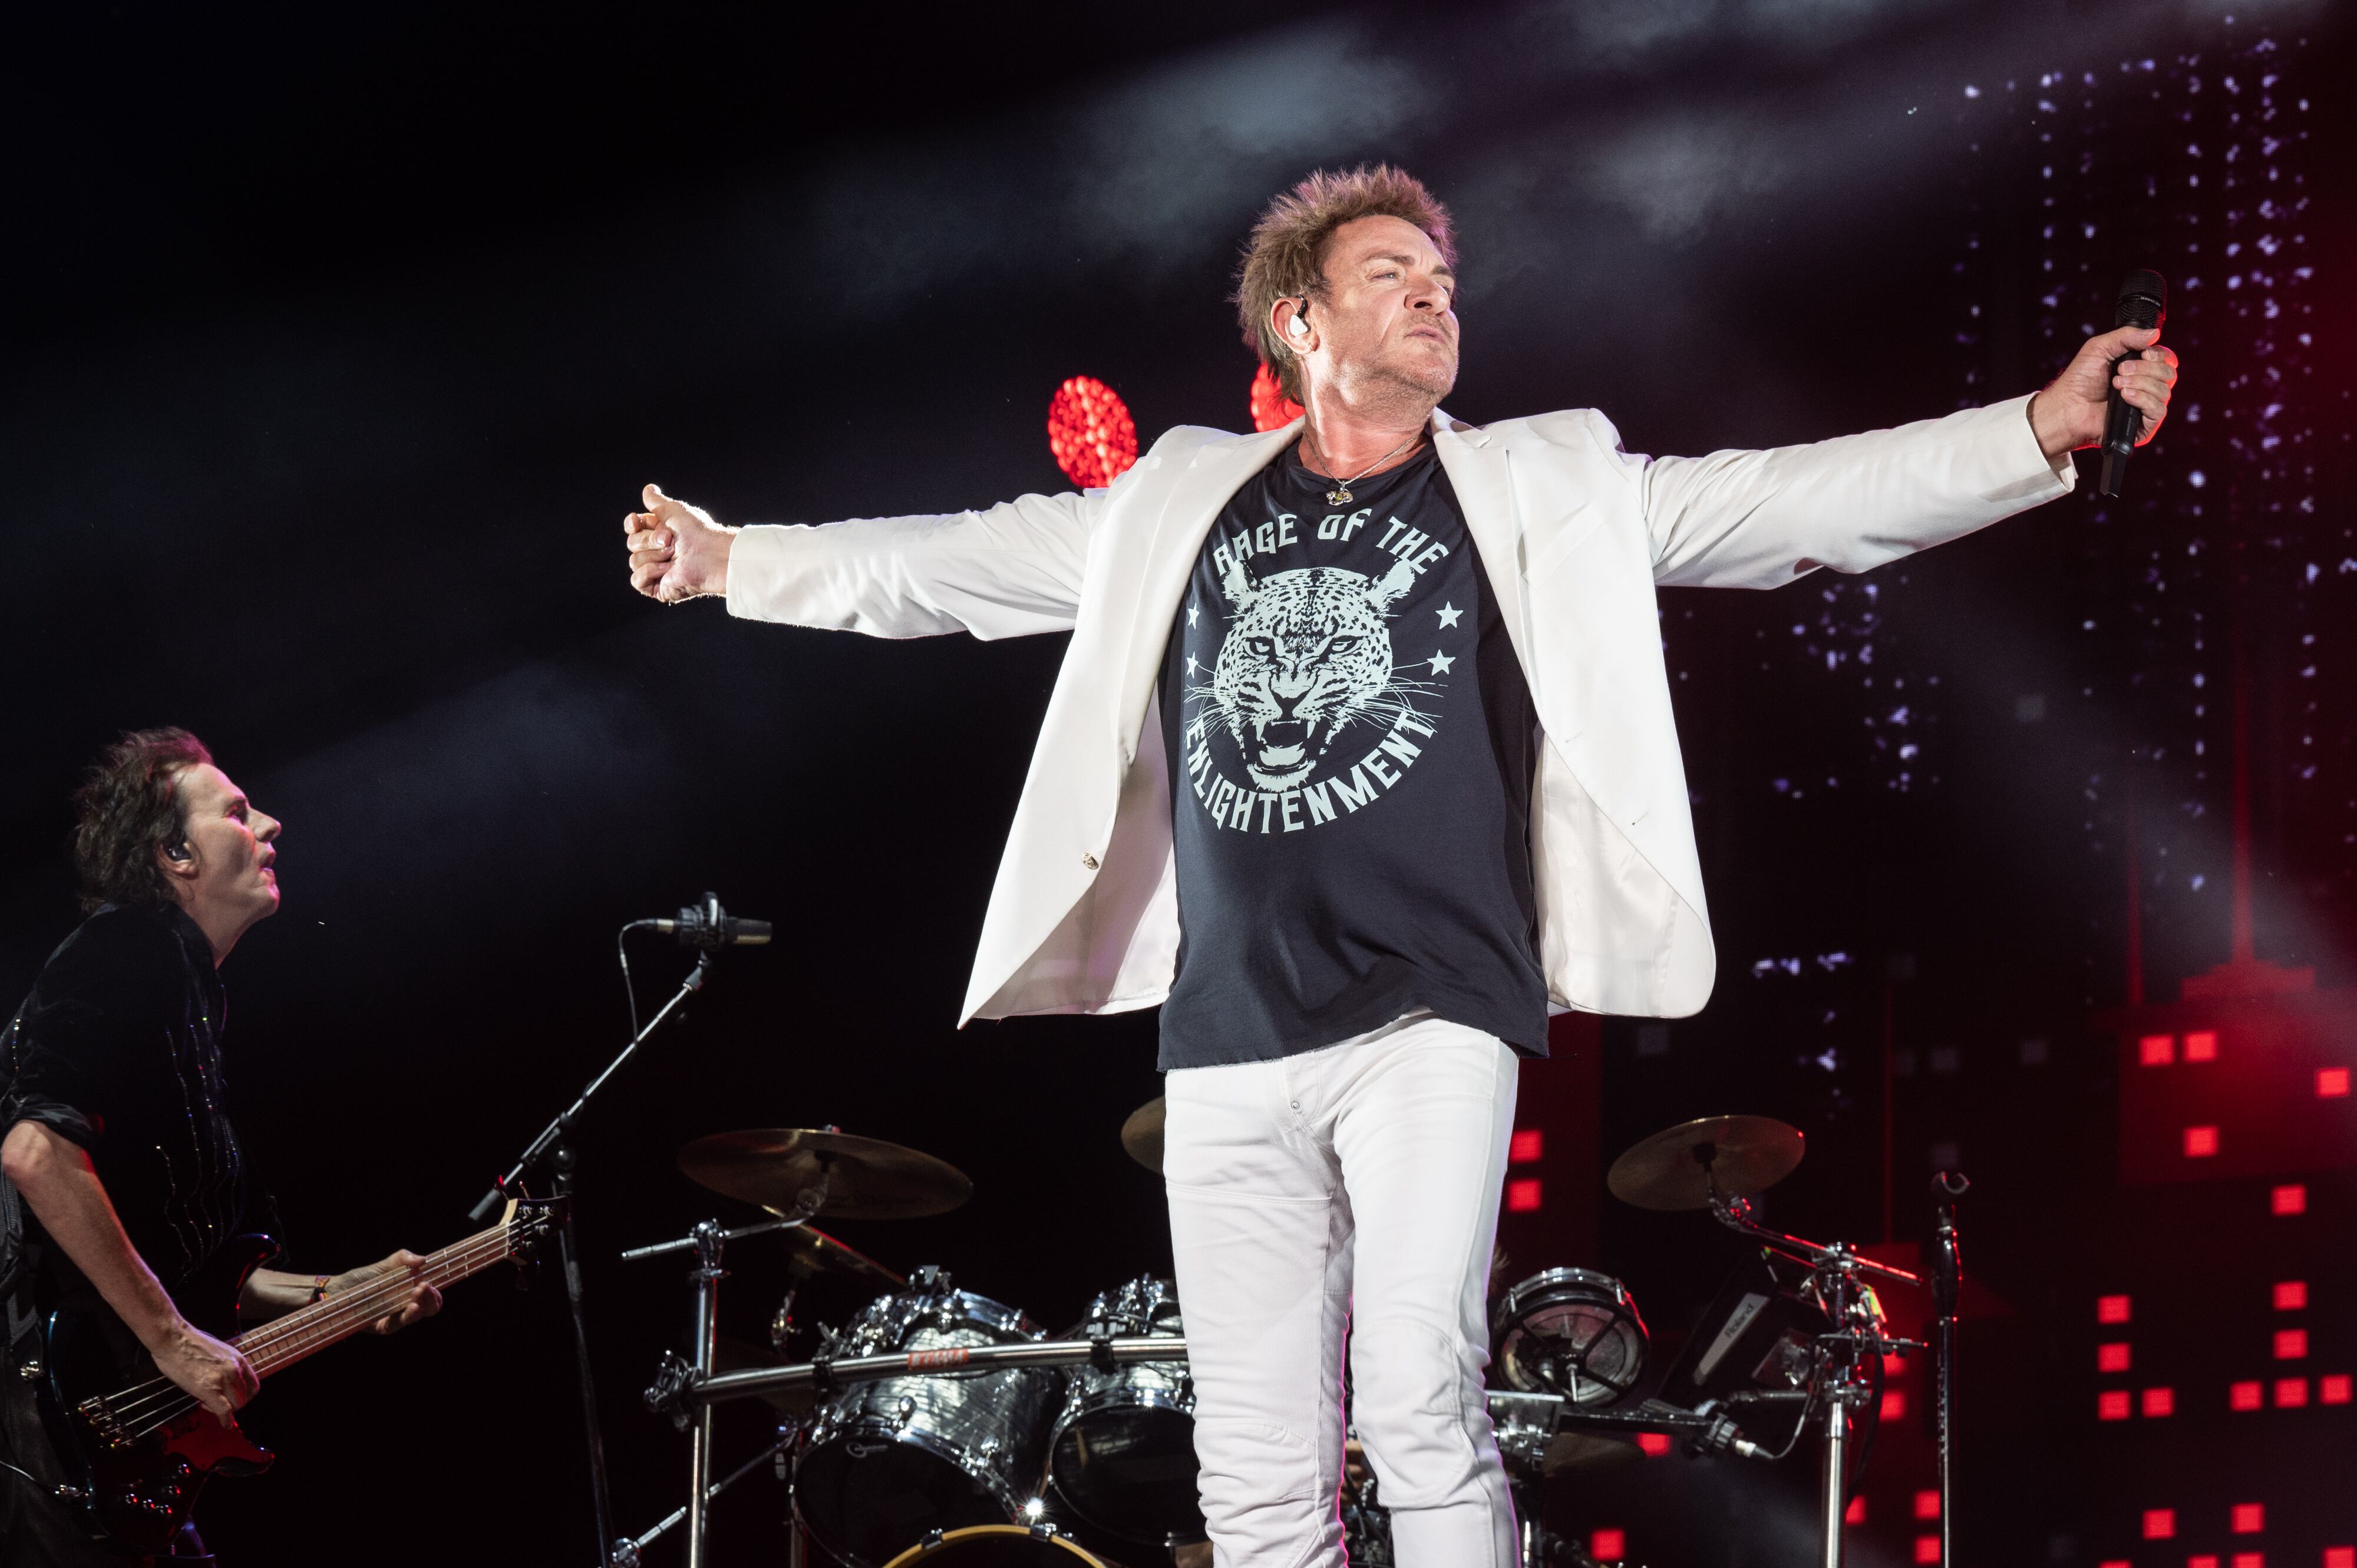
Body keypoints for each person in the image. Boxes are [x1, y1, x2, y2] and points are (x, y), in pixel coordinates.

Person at [618, 166, 2178, 1566]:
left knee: (1421, 1397)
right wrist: (738, 557)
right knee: (1253, 1468)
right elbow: (950, 562)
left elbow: (1781, 504)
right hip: (1226, 1032)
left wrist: (2038, 429)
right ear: (1300, 322)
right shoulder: (1174, 499)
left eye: (1443, 279)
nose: (1436, 296)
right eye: (1394, 276)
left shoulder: (1537, 486)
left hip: (1431, 1008)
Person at [0, 729, 443, 1566]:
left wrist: (340, 1290)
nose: (271, 824)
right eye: (238, 813)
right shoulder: (126, 948)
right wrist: (170, 1339)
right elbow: (34, 1149)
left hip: (100, 1438)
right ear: (175, 854)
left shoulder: (185, 988)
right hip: (36, 1428)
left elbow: (195, 1260)